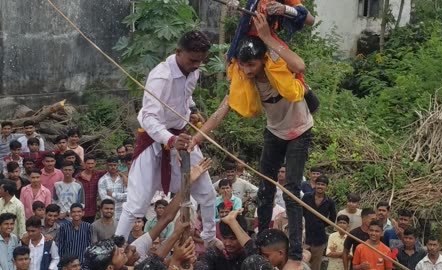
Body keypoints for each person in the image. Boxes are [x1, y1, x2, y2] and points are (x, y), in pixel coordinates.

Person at [192, 13, 313, 270]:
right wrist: (196, 138)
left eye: (253, 65)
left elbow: (300, 65)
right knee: (265, 186)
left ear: (262, 61)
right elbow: (219, 113)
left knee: (291, 188)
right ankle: (263, 237)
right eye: (244, 66)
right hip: (275, 132)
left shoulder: (277, 65)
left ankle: (294, 251)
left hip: (300, 131)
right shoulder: (244, 80)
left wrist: (267, 37)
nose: (248, 70)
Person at [115, 30, 221, 250]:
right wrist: (170, 140)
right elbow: (148, 117)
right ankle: (115, 247)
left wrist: (192, 109)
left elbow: (186, 96)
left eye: (200, 61)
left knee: (207, 193)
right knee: (136, 202)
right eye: (192, 60)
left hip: (181, 136)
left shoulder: (194, 72)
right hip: (156, 139)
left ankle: (210, 239)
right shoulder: (160, 76)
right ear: (178, 52)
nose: (196, 65)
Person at [302, 176, 336, 270]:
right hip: (305, 237)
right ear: (315, 185)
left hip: (319, 239)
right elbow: (301, 212)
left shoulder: (330, 202)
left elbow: (332, 219)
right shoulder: (307, 197)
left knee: (316, 266)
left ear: (326, 187)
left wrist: (320, 225)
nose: (320, 186)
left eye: (323, 184)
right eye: (318, 184)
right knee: (301, 263)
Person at [75, 154, 106, 223]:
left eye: (92, 163)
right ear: (84, 163)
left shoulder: (98, 174)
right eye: (88, 163)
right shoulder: (78, 177)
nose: (90, 166)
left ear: (95, 163)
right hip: (81, 209)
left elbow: (112, 170)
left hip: (92, 209)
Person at [98, 157, 127, 221]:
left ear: (118, 166)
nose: (113, 167)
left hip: (122, 213)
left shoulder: (123, 179)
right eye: (110, 165)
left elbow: (128, 196)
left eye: (114, 165)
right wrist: (121, 197)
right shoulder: (102, 180)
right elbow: (104, 198)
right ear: (107, 166)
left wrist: (113, 194)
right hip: (108, 214)